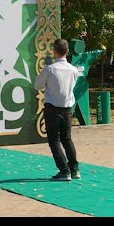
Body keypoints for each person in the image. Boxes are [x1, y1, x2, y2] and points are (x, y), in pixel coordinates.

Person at [35, 39, 80, 181]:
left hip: (52, 109)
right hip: (67, 109)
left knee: (54, 140)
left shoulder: (50, 68)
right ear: (67, 52)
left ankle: (64, 171)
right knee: (67, 139)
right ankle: (74, 169)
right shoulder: (73, 70)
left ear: (54, 51)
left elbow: (37, 85)